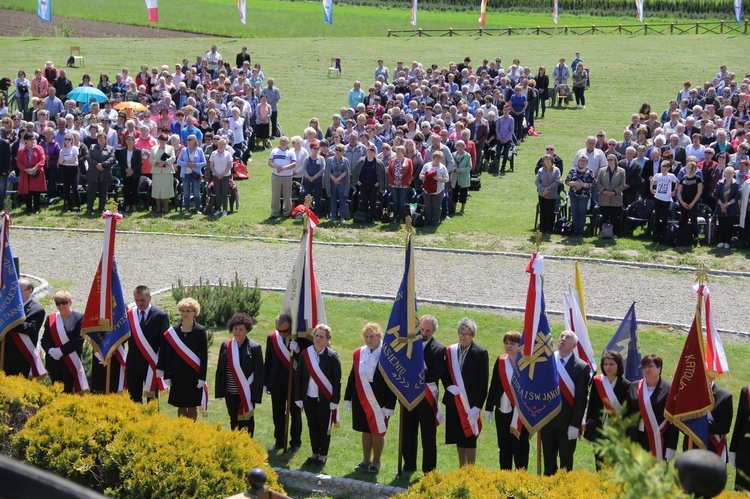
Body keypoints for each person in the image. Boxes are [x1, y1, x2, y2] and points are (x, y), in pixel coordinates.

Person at [344, 323, 397, 474]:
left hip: (380, 399)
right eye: (366, 337)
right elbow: (352, 377)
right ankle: (365, 460)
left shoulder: (388, 354)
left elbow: (392, 382)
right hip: (361, 397)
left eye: (372, 336)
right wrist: (348, 397)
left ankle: (376, 462)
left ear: (379, 336)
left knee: (377, 430)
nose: (369, 340)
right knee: (365, 430)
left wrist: (390, 405)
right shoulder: (358, 353)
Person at [540, 331, 590, 476]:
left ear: (574, 345)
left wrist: (575, 425)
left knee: (566, 465)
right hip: (547, 421)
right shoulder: (548, 361)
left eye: (567, 338)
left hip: (567, 424)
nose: (562, 339)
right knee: (548, 463)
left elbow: (581, 400)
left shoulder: (581, 367)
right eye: (561, 336)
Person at [441, 318, 488, 467]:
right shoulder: (451, 351)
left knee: (469, 437)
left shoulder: (480, 353)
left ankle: (471, 469)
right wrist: (448, 386)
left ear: (473, 335)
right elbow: (444, 372)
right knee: (458, 436)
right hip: (454, 401)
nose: (463, 336)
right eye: (461, 333)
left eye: (467, 334)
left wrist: (477, 407)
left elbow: (483, 383)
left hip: (470, 404)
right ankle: (461, 467)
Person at [402, 315, 445, 475]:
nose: (424, 332)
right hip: (410, 395)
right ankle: (409, 465)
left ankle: (429, 470)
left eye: (428, 330)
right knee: (408, 433)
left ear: (433, 331)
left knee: (428, 437)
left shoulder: (439, 349)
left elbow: (435, 374)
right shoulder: (410, 345)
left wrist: (416, 372)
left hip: (427, 400)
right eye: (421, 329)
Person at [294, 324, 342, 467]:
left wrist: (335, 400)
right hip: (309, 398)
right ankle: (315, 453)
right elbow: (299, 377)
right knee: (312, 426)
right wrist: (298, 397)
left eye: (322, 336)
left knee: (323, 427)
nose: (318, 339)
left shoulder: (332, 357)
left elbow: (337, 381)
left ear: (328, 339)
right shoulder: (305, 354)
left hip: (325, 399)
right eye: (316, 335)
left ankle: (323, 455)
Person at [485, 331, 529, 470]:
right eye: (506, 343)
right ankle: (505, 476)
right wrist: (488, 408)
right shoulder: (501, 360)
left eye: (512, 343)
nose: (508, 346)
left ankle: (520, 477)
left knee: (520, 446)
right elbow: (494, 384)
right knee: (504, 446)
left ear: (519, 345)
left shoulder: (526, 362)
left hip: (520, 412)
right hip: (501, 410)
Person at [158, 297, 208, 421]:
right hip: (177, 373)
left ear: (194, 312)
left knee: (192, 405)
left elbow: (204, 356)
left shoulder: (200, 331)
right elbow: (169, 354)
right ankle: (182, 428)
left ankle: (191, 430)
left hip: (193, 373)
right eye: (183, 310)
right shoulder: (173, 331)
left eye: (188, 311)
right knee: (180, 405)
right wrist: (167, 375)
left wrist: (202, 377)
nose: (185, 314)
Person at [215, 313, 264, 434]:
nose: (237, 332)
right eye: (235, 329)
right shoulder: (225, 346)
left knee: (247, 420)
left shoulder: (255, 347)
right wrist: (219, 390)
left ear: (247, 330)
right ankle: (236, 445)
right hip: (230, 391)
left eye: (241, 329)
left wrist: (256, 396)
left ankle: (248, 446)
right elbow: (220, 369)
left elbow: (259, 373)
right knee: (233, 419)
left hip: (247, 392)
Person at [624, 354, 678, 462]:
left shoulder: (670, 389)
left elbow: (674, 421)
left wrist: (671, 446)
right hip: (636, 437)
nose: (647, 369)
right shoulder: (634, 386)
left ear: (659, 369)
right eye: (644, 367)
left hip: (659, 439)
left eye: (650, 366)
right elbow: (626, 414)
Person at [584, 350, 631, 468]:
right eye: (605, 364)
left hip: (617, 432)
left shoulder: (626, 385)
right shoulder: (597, 381)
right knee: (600, 464)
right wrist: (588, 430)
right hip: (598, 429)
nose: (608, 367)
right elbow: (591, 407)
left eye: (612, 364)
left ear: (618, 365)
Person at [264, 314, 302, 453]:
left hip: (294, 382)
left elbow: (305, 361)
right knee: (277, 413)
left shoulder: (299, 338)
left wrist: (298, 351)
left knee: (295, 413)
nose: (282, 334)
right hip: (276, 382)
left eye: (285, 331)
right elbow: (268, 360)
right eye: (279, 330)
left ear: (290, 327)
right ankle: (279, 441)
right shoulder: (272, 338)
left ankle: (295, 442)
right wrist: (265, 382)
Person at [127, 285, 170, 404]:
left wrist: (161, 366)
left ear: (150, 298)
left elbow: (164, 343)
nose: (139, 303)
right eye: (136, 300)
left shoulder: (160, 316)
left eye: (142, 300)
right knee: (134, 399)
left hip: (151, 364)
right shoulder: (130, 315)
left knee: (152, 401)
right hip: (133, 364)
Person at [41, 290, 86, 394]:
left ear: (70, 302)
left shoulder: (80, 318)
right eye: (58, 303)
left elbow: (79, 339)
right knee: (55, 391)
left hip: (71, 362)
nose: (61, 306)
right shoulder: (51, 318)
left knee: (70, 392)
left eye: (64, 302)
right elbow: (44, 339)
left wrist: (61, 351)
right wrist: (50, 350)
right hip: (54, 362)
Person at [1, 278, 46, 377]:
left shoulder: (37, 310)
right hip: (5, 353)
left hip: (22, 356)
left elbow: (31, 328)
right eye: (15, 290)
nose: (17, 293)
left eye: (20, 290)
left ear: (30, 291)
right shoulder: (7, 307)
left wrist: (10, 321)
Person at [351, 144, 386, 221]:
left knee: (373, 202)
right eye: (369, 151)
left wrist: (379, 183)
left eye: (372, 151)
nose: (370, 153)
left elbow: (382, 175)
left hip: (373, 186)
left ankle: (372, 217)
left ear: (375, 153)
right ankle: (363, 217)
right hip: (363, 185)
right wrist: (357, 180)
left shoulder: (378, 163)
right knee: (364, 201)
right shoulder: (361, 161)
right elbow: (356, 172)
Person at [85, 132, 116, 214]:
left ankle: (101, 208)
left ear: (105, 139)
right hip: (93, 173)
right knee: (91, 192)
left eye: (102, 138)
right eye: (99, 138)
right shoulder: (92, 147)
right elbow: (88, 157)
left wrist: (102, 165)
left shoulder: (110, 148)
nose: (101, 140)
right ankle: (89, 208)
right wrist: (96, 164)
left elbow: (112, 159)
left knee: (103, 192)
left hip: (104, 173)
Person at [17, 133, 46, 214]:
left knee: (36, 191)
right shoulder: (21, 150)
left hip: (36, 172)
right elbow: (19, 163)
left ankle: (37, 208)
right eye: (31, 139)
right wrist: (25, 169)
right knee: (27, 192)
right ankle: (28, 208)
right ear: (26, 140)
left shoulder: (39, 148)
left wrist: (35, 168)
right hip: (26, 173)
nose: (33, 141)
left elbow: (42, 160)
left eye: (33, 139)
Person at [177, 134, 206, 215]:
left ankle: (197, 209)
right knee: (186, 192)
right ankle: (186, 208)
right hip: (185, 173)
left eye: (190, 139)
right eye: (187, 139)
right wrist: (186, 164)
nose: (188, 141)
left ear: (194, 141)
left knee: (196, 192)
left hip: (195, 174)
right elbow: (179, 161)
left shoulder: (199, 150)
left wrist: (195, 164)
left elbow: (204, 162)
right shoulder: (183, 150)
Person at [565, 155, 595, 236]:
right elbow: (567, 182)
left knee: (582, 213)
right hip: (573, 195)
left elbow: (593, 184)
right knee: (574, 213)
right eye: (581, 160)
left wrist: (583, 184)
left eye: (584, 161)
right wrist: (575, 183)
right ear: (578, 162)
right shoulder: (572, 171)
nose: (582, 162)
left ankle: (580, 231)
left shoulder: (590, 172)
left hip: (584, 196)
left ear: (587, 163)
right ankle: (575, 230)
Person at [268, 136, 296, 219]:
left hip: (287, 176)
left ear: (288, 143)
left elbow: (294, 163)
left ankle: (287, 212)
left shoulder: (291, 152)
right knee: (275, 194)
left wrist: (284, 168)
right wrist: (276, 167)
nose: (282, 142)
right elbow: (269, 162)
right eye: (281, 141)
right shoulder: (274, 151)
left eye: (284, 141)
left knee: (287, 195)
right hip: (276, 176)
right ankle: (275, 212)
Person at [676, 161, 704, 246]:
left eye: (692, 168)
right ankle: (682, 238)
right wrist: (682, 202)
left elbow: (699, 192)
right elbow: (679, 192)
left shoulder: (698, 178)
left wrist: (693, 203)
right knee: (683, 220)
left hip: (693, 202)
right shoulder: (683, 179)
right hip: (683, 202)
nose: (690, 170)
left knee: (693, 220)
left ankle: (696, 239)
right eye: (688, 168)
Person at [597, 154, 625, 234]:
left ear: (615, 161)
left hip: (616, 198)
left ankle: (614, 233)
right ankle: (603, 233)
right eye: (608, 160)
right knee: (603, 217)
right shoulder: (602, 170)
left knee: (614, 218)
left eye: (611, 160)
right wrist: (604, 191)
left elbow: (622, 184)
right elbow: (598, 183)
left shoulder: (621, 171)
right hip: (604, 198)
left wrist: (614, 192)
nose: (609, 161)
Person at [420, 150, 449, 227]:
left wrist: (438, 179)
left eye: (439, 158)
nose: (437, 160)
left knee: (437, 207)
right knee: (428, 206)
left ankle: (436, 222)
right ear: (433, 158)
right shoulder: (427, 166)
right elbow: (421, 175)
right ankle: (428, 221)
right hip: (427, 190)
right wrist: (423, 177)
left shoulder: (443, 167)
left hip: (438, 190)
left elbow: (446, 179)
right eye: (435, 158)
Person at [713, 166, 740, 249]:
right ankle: (721, 241)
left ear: (733, 174)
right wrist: (722, 205)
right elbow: (716, 195)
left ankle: (728, 242)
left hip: (731, 207)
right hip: (721, 207)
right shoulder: (719, 183)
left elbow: (737, 196)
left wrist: (727, 204)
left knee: (729, 226)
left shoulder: (736, 184)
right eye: (727, 173)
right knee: (722, 225)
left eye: (730, 173)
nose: (728, 174)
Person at [651, 161, 678, 240]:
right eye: (662, 169)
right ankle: (656, 233)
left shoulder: (671, 176)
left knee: (664, 216)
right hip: (658, 197)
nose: (663, 171)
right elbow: (652, 179)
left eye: (665, 169)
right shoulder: (658, 175)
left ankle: (663, 233)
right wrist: (651, 188)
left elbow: (677, 182)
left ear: (668, 169)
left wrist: (674, 191)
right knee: (657, 215)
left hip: (666, 198)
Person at [149, 133, 176, 214]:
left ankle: (166, 208)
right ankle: (158, 207)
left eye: (164, 140)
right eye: (161, 140)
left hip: (167, 172)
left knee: (166, 190)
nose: (163, 141)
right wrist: (157, 162)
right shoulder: (153, 148)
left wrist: (164, 162)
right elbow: (151, 159)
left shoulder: (170, 148)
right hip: (157, 171)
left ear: (166, 141)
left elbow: (173, 158)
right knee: (157, 190)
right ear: (158, 140)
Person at [730, 386, 750, 491]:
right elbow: (740, 421)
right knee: (743, 489)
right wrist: (733, 449)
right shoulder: (746, 392)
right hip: (745, 451)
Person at [325, 143, 350, 224]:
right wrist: (334, 179)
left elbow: (347, 172)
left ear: (343, 151)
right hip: (332, 183)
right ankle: (333, 216)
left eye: (340, 150)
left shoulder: (345, 160)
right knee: (333, 199)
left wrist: (338, 178)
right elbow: (328, 171)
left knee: (342, 200)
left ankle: (342, 217)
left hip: (342, 183)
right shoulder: (330, 160)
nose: (337, 152)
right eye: (336, 150)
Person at [387, 145, 413, 224]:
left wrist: (401, 181)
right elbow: (389, 172)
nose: (397, 153)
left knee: (401, 201)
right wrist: (393, 181)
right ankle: (394, 217)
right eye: (396, 152)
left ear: (403, 152)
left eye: (398, 152)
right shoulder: (393, 160)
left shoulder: (408, 161)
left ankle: (401, 218)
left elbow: (410, 173)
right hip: (394, 184)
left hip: (403, 185)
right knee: (395, 201)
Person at [535, 154, 561, 234]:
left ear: (552, 161)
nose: (546, 161)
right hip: (542, 193)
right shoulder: (540, 170)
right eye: (545, 160)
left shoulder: (556, 170)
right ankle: (542, 228)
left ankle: (549, 228)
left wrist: (548, 189)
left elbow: (557, 181)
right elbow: (537, 181)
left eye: (548, 159)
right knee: (543, 211)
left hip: (552, 194)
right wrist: (544, 189)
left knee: (550, 211)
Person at [117, 135, 142, 213]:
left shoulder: (138, 151)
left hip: (135, 174)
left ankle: (134, 206)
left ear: (134, 141)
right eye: (128, 139)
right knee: (126, 190)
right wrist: (126, 170)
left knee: (135, 190)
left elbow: (140, 163)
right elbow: (120, 162)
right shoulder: (122, 151)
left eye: (131, 139)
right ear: (125, 141)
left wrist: (132, 171)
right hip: (125, 174)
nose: (129, 141)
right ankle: (127, 206)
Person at [209, 138, 233, 217]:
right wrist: (216, 173)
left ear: (225, 145)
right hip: (216, 176)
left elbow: (229, 165)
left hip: (225, 176)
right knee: (217, 193)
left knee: (224, 193)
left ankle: (225, 210)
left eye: (223, 144)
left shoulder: (228, 154)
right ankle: (218, 209)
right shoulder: (213, 153)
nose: (221, 146)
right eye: (219, 144)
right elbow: (211, 165)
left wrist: (223, 174)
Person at [451, 140, 471, 214]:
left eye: (461, 146)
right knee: (454, 193)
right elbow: (450, 164)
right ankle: (454, 208)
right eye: (458, 146)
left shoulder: (467, 156)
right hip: (455, 177)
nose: (460, 147)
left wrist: (461, 170)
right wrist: (454, 169)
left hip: (463, 177)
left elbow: (469, 166)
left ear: (464, 147)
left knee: (463, 193)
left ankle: (462, 208)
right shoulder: (452, 155)